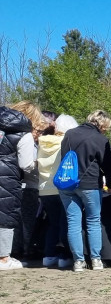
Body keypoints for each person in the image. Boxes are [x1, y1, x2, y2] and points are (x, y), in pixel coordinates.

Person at [59, 110, 111, 272]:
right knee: (93, 221)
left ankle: (78, 261)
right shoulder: (100, 139)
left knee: (73, 223)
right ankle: (96, 259)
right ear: (102, 124)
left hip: (67, 183)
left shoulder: (69, 134)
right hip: (90, 183)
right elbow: (108, 165)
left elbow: (64, 156)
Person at [37, 115, 77, 269]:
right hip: (61, 186)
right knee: (65, 222)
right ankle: (65, 255)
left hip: (44, 189)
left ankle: (48, 255)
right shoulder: (65, 142)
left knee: (52, 223)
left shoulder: (42, 143)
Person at [10, 101, 47, 260]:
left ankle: (15, 249)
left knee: (14, 220)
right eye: (38, 130)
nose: (38, 134)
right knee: (27, 221)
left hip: (12, 183)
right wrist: (41, 164)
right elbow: (26, 164)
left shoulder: (9, 134)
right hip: (28, 184)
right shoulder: (26, 138)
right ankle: (25, 250)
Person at [0, 104, 33, 270]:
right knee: (5, 216)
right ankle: (3, 258)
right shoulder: (23, 133)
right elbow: (26, 164)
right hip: (8, 179)